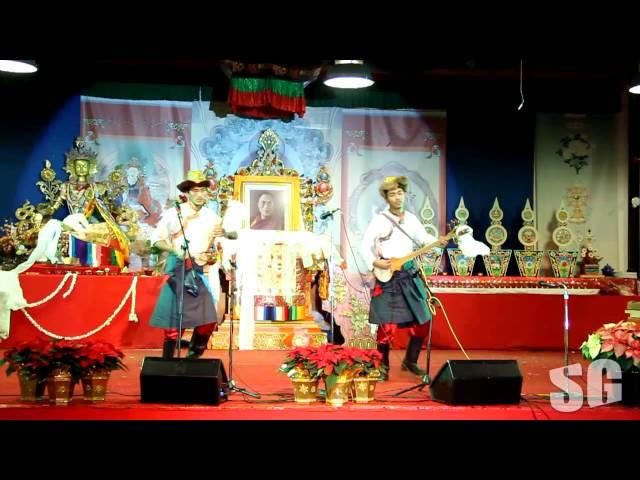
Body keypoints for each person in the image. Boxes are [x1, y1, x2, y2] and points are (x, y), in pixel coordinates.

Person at [360, 176, 447, 381]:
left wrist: (437, 241)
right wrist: (374, 261)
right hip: (388, 275)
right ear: (386, 197)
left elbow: (423, 239)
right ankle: (383, 367)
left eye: (400, 193)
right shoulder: (380, 219)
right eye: (392, 194)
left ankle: (410, 361)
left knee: (423, 320)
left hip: (409, 274)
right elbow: (364, 246)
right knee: (385, 326)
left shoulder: (412, 219)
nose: (397, 197)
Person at [149, 170, 226, 359]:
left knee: (208, 319)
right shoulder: (175, 213)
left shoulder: (212, 217)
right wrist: (176, 251)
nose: (200, 195)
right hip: (179, 267)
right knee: (176, 322)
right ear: (188, 192)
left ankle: (193, 359)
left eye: (203, 191)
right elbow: (156, 240)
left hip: (201, 270)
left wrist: (212, 256)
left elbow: (215, 250)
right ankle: (167, 364)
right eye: (196, 190)